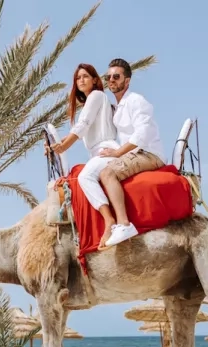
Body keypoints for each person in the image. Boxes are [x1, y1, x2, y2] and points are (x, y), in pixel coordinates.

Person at [51, 63, 129, 246]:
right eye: (78, 78)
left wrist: (64, 146)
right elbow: (80, 129)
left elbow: (83, 125)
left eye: (85, 76)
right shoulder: (93, 102)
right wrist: (57, 145)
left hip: (105, 150)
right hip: (98, 154)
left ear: (95, 80)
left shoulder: (96, 95)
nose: (81, 80)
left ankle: (109, 221)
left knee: (84, 177)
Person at [97, 57, 166, 247]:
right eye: (108, 77)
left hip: (148, 153)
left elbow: (142, 134)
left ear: (127, 81)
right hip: (134, 153)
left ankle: (124, 224)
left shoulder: (137, 101)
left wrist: (117, 153)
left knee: (107, 174)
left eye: (116, 77)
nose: (111, 80)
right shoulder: (117, 107)